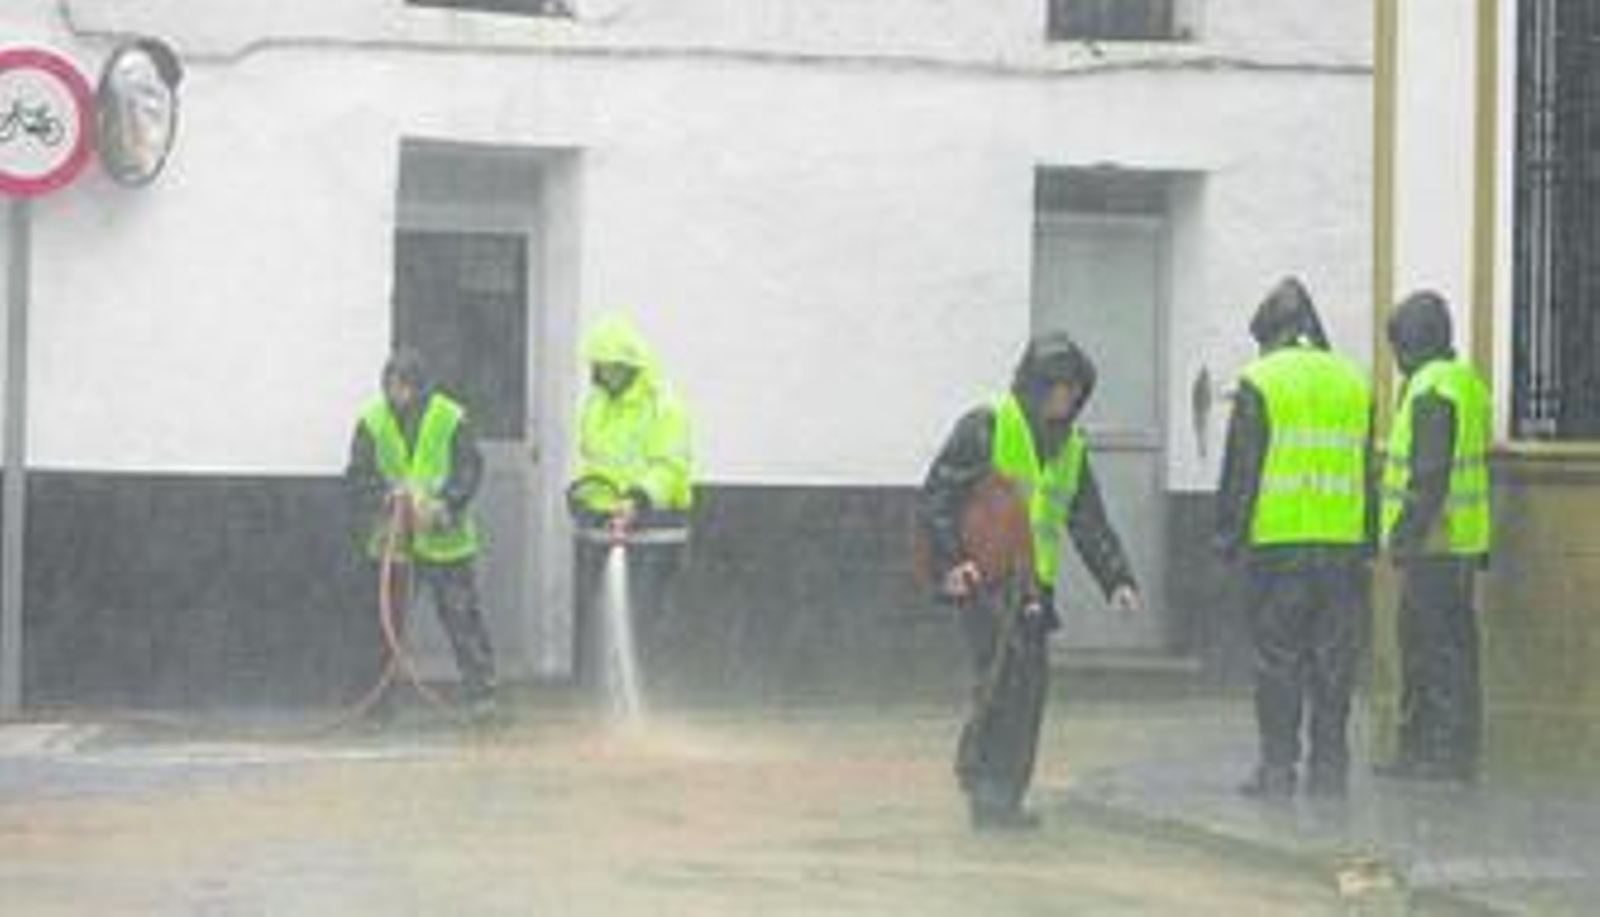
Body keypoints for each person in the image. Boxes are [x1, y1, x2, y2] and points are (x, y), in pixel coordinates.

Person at [919, 332, 1141, 831]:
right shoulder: (987, 425)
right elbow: (937, 497)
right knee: (1003, 682)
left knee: (1028, 692)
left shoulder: (1071, 449)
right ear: (1033, 386)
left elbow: (1089, 521)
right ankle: (985, 789)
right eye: (1056, 387)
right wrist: (951, 563)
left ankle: (1003, 795)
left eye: (1073, 390)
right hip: (987, 579)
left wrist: (1117, 579)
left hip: (1034, 588)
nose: (1064, 399)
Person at [1215, 278, 1376, 799]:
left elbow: (1242, 469)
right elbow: (1366, 468)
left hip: (1279, 546)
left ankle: (1278, 769)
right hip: (1343, 547)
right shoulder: (1355, 382)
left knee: (1278, 660)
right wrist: (1368, 541)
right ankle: (1330, 769)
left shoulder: (1260, 379)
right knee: (1334, 662)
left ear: (1272, 333)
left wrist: (1226, 537)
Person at [345, 348, 498, 723]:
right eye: (390, 386)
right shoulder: (372, 421)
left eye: (402, 386)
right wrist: (385, 496)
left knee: (461, 618)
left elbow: (469, 468)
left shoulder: (450, 417)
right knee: (384, 623)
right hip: (394, 539)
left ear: (419, 386)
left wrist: (447, 503)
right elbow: (358, 474)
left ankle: (482, 696)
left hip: (444, 538)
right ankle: (377, 702)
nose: (395, 394)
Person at [1377, 291, 1492, 783]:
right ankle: (1451, 750)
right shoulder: (1467, 384)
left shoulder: (1429, 391)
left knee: (1428, 650)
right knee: (1455, 648)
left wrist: (1402, 539)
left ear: (1412, 343)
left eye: (1397, 346)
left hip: (1432, 545)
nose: (1396, 360)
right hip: (1461, 543)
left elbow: (1428, 476)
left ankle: (1434, 753)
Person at [568, 314, 693, 695]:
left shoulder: (664, 407)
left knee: (648, 624)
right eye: (599, 368)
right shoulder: (596, 406)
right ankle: (607, 701)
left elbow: (670, 467)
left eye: (609, 368)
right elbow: (593, 462)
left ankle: (655, 703)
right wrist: (588, 502)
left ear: (628, 368)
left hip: (656, 532)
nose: (603, 375)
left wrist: (637, 499)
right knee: (604, 622)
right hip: (607, 530)